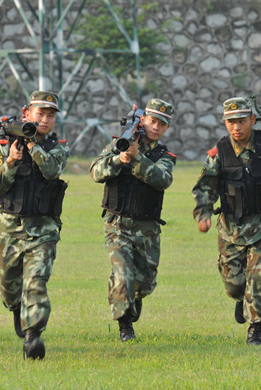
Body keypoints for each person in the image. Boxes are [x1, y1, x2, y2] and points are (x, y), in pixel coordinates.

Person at [192, 97, 261, 346]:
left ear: (253, 120)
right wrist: (203, 213)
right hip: (231, 228)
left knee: (259, 276)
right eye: (231, 122)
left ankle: (256, 328)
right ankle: (240, 299)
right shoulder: (220, 152)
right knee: (235, 284)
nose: (236, 127)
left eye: (241, 121)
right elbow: (205, 187)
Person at [0, 90, 69, 360]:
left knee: (36, 282)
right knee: (10, 288)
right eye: (40, 113)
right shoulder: (6, 144)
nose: (44, 119)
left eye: (50, 115)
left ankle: (33, 335)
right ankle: (16, 310)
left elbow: (51, 171)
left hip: (43, 229)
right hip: (9, 228)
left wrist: (33, 146)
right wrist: (11, 160)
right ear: (27, 113)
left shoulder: (58, 146)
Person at [90, 98, 176, 342]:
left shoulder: (164, 154)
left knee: (145, 281)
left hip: (147, 228)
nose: (156, 127)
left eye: (162, 124)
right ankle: (124, 324)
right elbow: (95, 172)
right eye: (152, 121)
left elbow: (163, 179)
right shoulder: (119, 143)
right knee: (122, 273)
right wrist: (119, 159)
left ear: (167, 128)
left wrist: (137, 158)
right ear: (143, 119)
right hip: (117, 224)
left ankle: (135, 298)